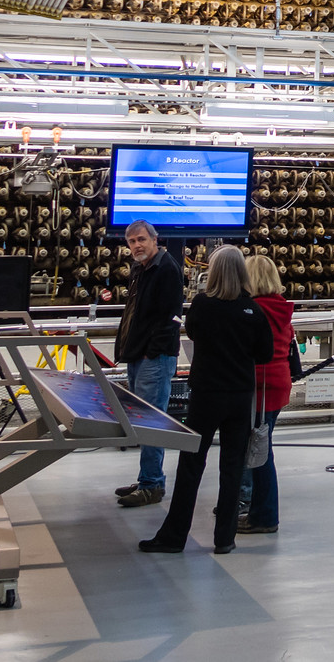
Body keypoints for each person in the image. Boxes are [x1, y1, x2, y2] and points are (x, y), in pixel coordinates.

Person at [140, 245, 272, 554]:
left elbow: (195, 334)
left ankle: (174, 536)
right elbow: (264, 353)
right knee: (232, 468)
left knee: (191, 465)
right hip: (239, 397)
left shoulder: (202, 305)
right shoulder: (252, 310)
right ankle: (224, 538)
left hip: (205, 396)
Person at [114, 220, 183, 507]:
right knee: (143, 420)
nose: (137, 246)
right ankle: (148, 477)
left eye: (141, 239)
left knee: (151, 422)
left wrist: (150, 352)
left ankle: (151, 485)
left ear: (155, 239)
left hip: (153, 358)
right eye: (132, 242)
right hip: (139, 355)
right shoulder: (141, 269)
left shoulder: (166, 269)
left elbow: (170, 317)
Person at [236, 253, 294, 536]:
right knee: (262, 447)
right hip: (277, 383)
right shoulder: (280, 308)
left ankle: (265, 516)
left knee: (260, 453)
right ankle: (259, 510)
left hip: (258, 386)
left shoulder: (252, 311)